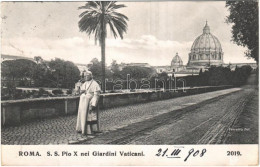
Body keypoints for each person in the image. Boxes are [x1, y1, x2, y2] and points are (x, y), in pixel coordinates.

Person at [76, 70, 101, 135]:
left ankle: (91, 130)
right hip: (83, 103)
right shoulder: (85, 83)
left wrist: (93, 104)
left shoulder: (95, 84)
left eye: (87, 76)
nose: (85, 77)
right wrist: (78, 87)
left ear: (90, 76)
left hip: (90, 102)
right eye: (84, 76)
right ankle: (82, 128)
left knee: (90, 116)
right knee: (83, 115)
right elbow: (80, 92)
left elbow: (96, 94)